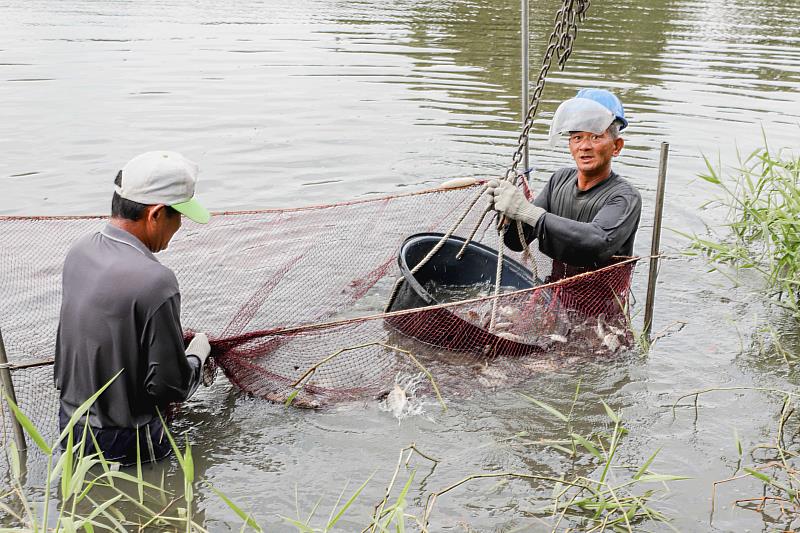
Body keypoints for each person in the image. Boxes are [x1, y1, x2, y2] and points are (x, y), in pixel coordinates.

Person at [54, 150, 213, 465]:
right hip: (129, 441)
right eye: (178, 215)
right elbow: (169, 386)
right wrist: (198, 353)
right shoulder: (156, 281)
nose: (180, 225)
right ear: (155, 215)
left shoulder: (80, 251)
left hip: (71, 427)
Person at [487, 88, 641, 277]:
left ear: (616, 146)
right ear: (570, 145)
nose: (584, 146)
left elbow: (596, 242)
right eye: (577, 137)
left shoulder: (624, 196)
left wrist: (529, 212)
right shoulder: (559, 180)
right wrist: (507, 212)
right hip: (554, 292)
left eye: (596, 136)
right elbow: (518, 242)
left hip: (601, 302)